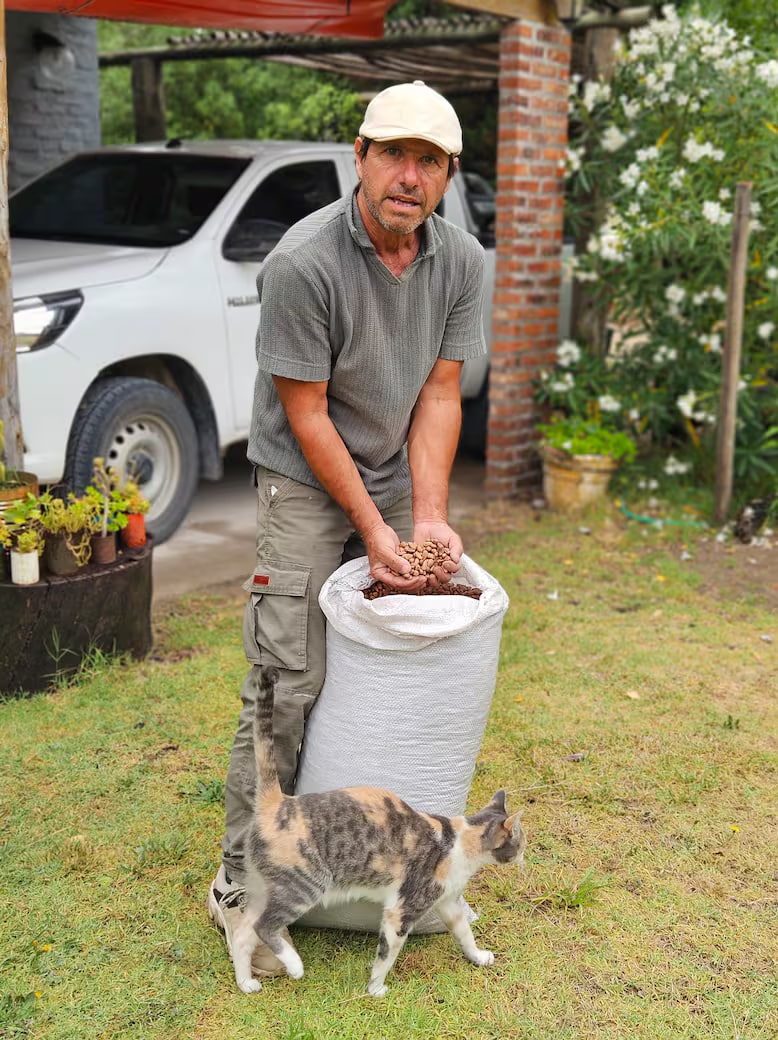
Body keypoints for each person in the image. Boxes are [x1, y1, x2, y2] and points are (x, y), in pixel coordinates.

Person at [207, 80, 487, 973]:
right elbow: (309, 413)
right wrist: (372, 529)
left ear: (447, 176)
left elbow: (440, 393)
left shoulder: (462, 262)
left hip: (393, 471)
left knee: (401, 655)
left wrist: (429, 515)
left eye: (429, 161)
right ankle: (235, 881)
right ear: (359, 157)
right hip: (304, 475)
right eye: (394, 154)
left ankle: (372, 860)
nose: (410, 175)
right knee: (288, 675)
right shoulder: (303, 262)